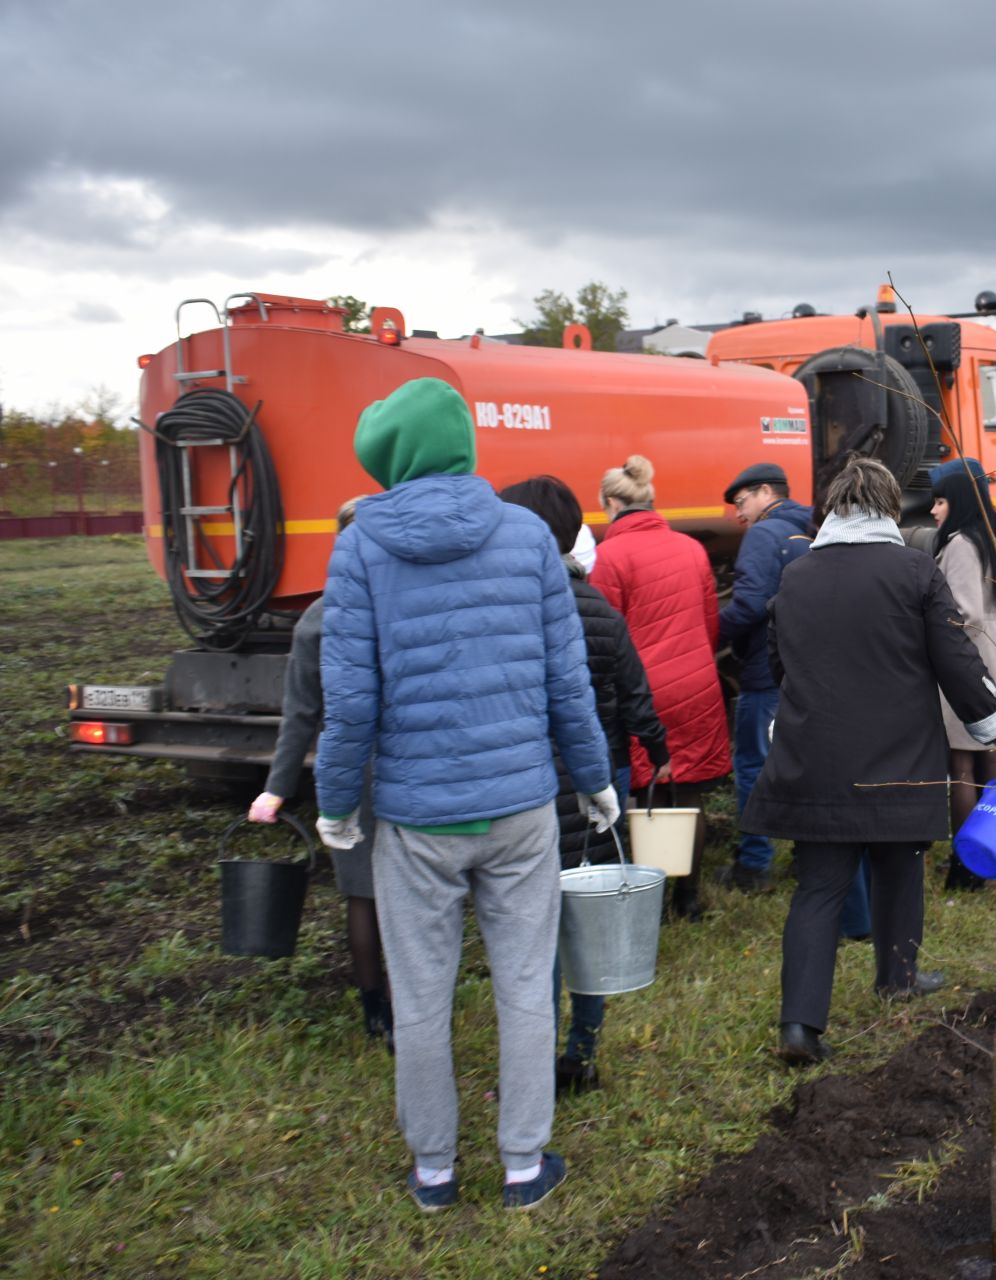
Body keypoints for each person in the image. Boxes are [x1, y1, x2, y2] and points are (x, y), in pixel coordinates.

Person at [313, 377, 617, 1212]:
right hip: (521, 810)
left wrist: (337, 804)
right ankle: (525, 1165)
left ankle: (435, 1171)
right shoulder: (527, 540)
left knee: (421, 996)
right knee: (525, 987)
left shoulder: (359, 548)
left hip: (416, 818)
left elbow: (352, 705)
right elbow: (568, 684)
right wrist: (594, 781)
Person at [745, 460, 996, 1065]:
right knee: (901, 863)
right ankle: (898, 977)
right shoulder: (914, 570)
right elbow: (956, 661)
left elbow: (780, 664)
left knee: (818, 887)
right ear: (889, 508)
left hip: (813, 754)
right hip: (900, 752)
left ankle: (799, 1025)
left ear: (833, 509)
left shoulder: (798, 575)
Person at [498, 475, 671, 1096]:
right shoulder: (599, 608)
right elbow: (633, 690)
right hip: (593, 787)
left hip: (530, 790)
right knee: (589, 927)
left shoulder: (510, 609)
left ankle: (538, 1060)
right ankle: (582, 1051)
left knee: (534, 936)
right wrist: (656, 750)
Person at [249, 497, 390, 1049]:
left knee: (362, 895)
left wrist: (276, 790)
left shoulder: (315, 617)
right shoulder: (399, 606)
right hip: (408, 763)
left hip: (348, 772)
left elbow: (300, 714)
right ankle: (418, 1003)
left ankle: (374, 1011)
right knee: (416, 889)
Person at [590, 455, 732, 920]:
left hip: (644, 691)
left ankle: (649, 899)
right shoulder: (691, 548)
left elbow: (606, 635)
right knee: (688, 794)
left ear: (612, 503)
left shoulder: (609, 556)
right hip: (696, 685)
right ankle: (687, 899)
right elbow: (711, 626)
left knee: (646, 793)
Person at [716, 462, 816, 894]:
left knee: (755, 767)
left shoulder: (763, 534)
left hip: (765, 672)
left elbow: (749, 604)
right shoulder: (816, 526)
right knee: (808, 767)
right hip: (812, 672)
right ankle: (810, 856)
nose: (739, 515)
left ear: (763, 493)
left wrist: (704, 634)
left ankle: (753, 865)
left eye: (741, 503)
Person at [930, 463, 996, 890]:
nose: (933, 510)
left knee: (961, 763)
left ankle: (966, 865)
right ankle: (992, 853)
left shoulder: (960, 544)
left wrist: (926, 627)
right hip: (992, 651)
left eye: (940, 500)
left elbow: (963, 611)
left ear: (960, 501)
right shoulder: (987, 535)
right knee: (989, 759)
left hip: (966, 660)